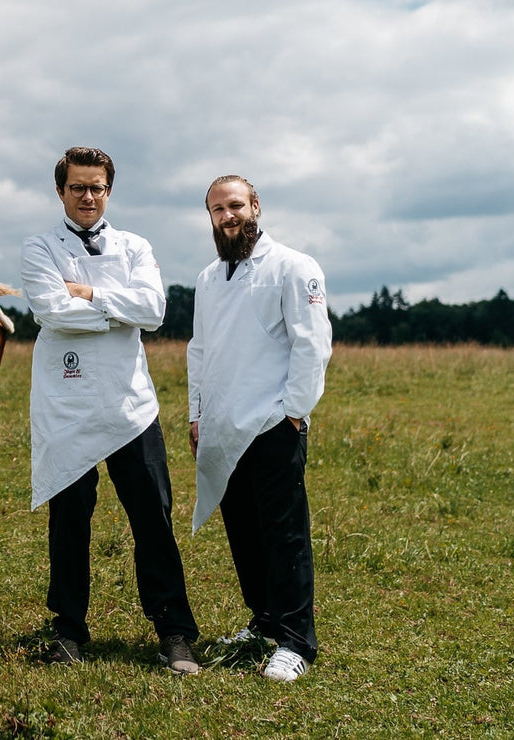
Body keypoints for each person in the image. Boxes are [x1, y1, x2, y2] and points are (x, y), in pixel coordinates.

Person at [21, 146, 200, 674]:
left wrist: (88, 294)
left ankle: (174, 632)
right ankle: (69, 631)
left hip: (130, 406)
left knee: (153, 519)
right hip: (68, 404)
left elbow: (154, 310)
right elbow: (51, 311)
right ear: (60, 191)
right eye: (77, 187)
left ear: (109, 190)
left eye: (97, 187)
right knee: (70, 522)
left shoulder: (135, 245)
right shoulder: (39, 247)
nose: (88, 197)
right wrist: (116, 307)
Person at [187, 175, 332, 682]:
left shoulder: (294, 267)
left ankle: (296, 641)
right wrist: (196, 413)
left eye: (236, 206)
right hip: (224, 429)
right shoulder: (209, 278)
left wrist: (293, 413)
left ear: (256, 207)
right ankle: (265, 625)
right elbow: (199, 351)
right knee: (244, 534)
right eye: (217, 209)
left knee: (283, 535)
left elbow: (312, 346)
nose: (228, 216)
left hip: (273, 425)